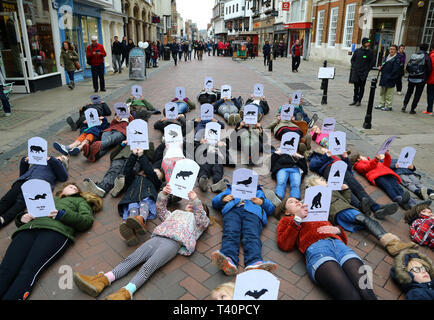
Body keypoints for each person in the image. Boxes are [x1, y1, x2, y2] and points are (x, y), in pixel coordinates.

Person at [73, 185, 210, 300]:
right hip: (157, 238)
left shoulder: (200, 223)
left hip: (172, 244)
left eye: (196, 207)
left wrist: (197, 201)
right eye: (190, 205)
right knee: (131, 259)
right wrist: (163, 194)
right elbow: (161, 210)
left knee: (148, 266)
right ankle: (102, 280)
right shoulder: (175, 213)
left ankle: (126, 292)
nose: (191, 206)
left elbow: (202, 218)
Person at [0, 183, 102, 300]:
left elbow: (86, 221)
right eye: (70, 186)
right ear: (62, 189)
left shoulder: (81, 201)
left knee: (28, 271)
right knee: (6, 269)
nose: (74, 188)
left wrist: (62, 214)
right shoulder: (49, 198)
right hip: (27, 230)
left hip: (54, 232)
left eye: (76, 188)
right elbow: (27, 215)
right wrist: (22, 218)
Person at [276, 197, 377, 300]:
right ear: (287, 212)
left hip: (341, 247)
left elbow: (341, 237)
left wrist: (337, 230)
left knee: (367, 293)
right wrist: (297, 219)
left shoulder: (316, 212)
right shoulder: (287, 220)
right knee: (351, 296)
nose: (296, 201)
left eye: (296, 200)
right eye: (291, 202)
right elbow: (284, 244)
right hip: (319, 250)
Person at [304, 174, 417, 256]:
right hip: (340, 210)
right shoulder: (317, 193)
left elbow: (346, 200)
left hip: (345, 210)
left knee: (369, 222)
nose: (324, 181)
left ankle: (394, 244)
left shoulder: (333, 190)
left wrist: (346, 190)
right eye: (320, 180)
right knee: (364, 219)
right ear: (314, 185)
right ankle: (392, 244)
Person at [308, 148, 399, 219]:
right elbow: (312, 166)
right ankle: (360, 206)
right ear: (319, 151)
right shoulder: (316, 156)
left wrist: (345, 157)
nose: (327, 149)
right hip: (330, 170)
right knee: (347, 190)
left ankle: (376, 207)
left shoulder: (333, 156)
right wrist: (326, 156)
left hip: (343, 169)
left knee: (357, 187)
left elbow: (348, 166)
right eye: (324, 149)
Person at [211, 184, 277, 276]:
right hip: (233, 211)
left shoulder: (258, 192)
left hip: (252, 213)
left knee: (252, 235)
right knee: (231, 233)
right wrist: (223, 198)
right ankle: (228, 259)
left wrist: (261, 202)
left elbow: (271, 208)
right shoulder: (231, 189)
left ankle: (254, 261)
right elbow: (214, 202)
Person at [0, 155, 69, 229]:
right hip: (23, 181)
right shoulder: (40, 161)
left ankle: (3, 219)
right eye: (60, 156)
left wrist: (52, 159)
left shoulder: (58, 166)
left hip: (37, 185)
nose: (60, 157)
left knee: (20, 203)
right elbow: (22, 173)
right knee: (7, 198)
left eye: (63, 158)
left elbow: (63, 177)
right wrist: (25, 161)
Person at [350, 150, 432, 211]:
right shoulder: (359, 164)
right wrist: (375, 160)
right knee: (389, 187)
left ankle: (412, 202)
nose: (364, 156)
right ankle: (400, 200)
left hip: (387, 173)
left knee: (397, 187)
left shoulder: (371, 161)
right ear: (358, 159)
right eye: (361, 156)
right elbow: (366, 168)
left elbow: (386, 165)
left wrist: (387, 155)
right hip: (378, 176)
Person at [116, 148, 163, 246]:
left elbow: (150, 171)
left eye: (158, 174)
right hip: (132, 197)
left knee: (144, 204)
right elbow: (127, 170)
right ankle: (132, 227)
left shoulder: (155, 182)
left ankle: (140, 220)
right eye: (156, 171)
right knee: (132, 206)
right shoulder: (134, 178)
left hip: (146, 196)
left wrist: (141, 156)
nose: (156, 173)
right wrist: (133, 155)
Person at [83, 141, 155, 199]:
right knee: (113, 171)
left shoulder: (148, 143)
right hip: (120, 158)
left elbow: (150, 157)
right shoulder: (127, 140)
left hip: (136, 160)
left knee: (124, 174)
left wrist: (142, 151)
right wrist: (121, 145)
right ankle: (102, 188)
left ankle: (118, 189)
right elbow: (112, 155)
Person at [402, 43, 432, 114]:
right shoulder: (427, 57)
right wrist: (426, 76)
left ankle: (404, 105)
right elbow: (429, 68)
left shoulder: (414, 55)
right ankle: (412, 109)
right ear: (427, 49)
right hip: (421, 78)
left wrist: (411, 73)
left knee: (409, 92)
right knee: (417, 94)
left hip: (412, 77)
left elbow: (408, 67)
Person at [349, 38, 374, 106]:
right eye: (367, 42)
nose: (368, 44)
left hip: (363, 73)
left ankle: (359, 100)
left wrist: (367, 70)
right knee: (356, 88)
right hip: (356, 73)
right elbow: (352, 60)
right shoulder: (357, 51)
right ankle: (355, 100)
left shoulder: (370, 52)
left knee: (362, 87)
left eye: (369, 43)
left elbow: (371, 63)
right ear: (363, 43)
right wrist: (354, 68)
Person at [375, 45, 401, 111]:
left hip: (391, 78)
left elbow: (396, 70)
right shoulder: (387, 57)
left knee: (389, 93)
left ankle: (388, 106)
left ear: (396, 51)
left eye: (393, 49)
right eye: (390, 49)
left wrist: (390, 77)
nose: (391, 50)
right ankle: (381, 104)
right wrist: (381, 68)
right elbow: (383, 64)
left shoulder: (397, 59)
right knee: (382, 92)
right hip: (384, 77)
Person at [425, 44, 434, 115]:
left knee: (430, 94)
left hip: (431, 79)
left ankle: (429, 110)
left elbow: (429, 68)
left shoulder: (431, 56)